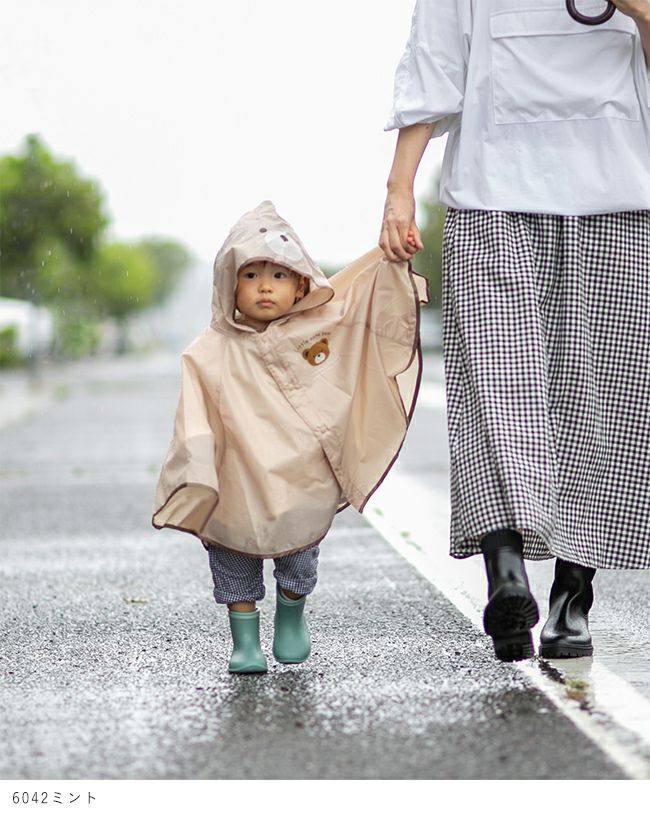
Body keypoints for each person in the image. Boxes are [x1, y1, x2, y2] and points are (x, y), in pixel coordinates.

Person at [381, 0, 650, 662]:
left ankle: (569, 597)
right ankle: (507, 574)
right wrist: (398, 189)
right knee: (495, 389)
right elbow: (434, 63)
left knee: (601, 405)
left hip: (619, 199)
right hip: (492, 198)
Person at [152, 200, 427, 673]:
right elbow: (193, 418)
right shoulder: (207, 351)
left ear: (301, 284)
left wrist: (393, 260)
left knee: (300, 554)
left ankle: (291, 614)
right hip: (236, 475)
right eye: (251, 274)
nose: (264, 286)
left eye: (278, 275)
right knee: (233, 557)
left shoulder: (318, 329)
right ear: (229, 283)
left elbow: (362, 301)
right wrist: (197, 469)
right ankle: (245, 641)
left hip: (300, 474)